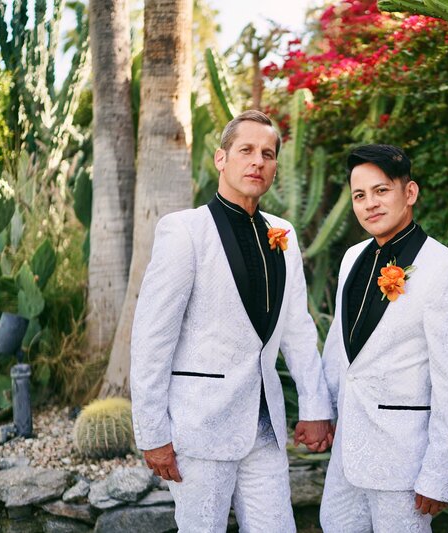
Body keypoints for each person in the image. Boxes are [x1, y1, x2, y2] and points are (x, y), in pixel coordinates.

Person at [130, 110, 334, 532]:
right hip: (199, 426)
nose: (258, 161)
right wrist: (152, 433)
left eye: (268, 153)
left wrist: (314, 406)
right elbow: (152, 339)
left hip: (266, 429)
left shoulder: (284, 233)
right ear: (221, 159)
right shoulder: (184, 231)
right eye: (246, 150)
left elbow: (297, 329)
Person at [319, 144, 448, 532]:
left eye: (381, 190)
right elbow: (340, 349)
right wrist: (321, 412)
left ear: (409, 193)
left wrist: (440, 474)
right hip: (347, 455)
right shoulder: (351, 258)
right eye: (359, 195)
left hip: (404, 462)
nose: (369, 204)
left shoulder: (447, 270)